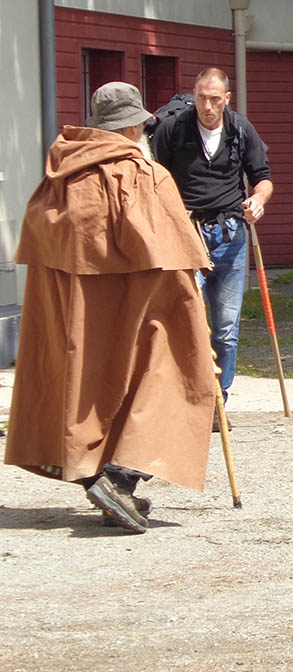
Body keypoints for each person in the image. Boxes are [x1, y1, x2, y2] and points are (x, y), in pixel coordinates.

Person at [5, 82, 218, 534]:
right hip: (146, 300)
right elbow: (172, 249)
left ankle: (100, 473)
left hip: (77, 308)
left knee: (91, 380)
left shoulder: (60, 175)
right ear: (137, 126)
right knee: (174, 373)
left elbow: (45, 238)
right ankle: (119, 477)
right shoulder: (144, 174)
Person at [151, 68, 272, 422]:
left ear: (227, 98)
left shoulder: (240, 129)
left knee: (225, 327)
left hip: (231, 235)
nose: (207, 106)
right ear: (194, 93)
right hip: (186, 233)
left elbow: (262, 179)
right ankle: (191, 398)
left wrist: (258, 200)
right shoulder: (174, 129)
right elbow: (155, 177)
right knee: (188, 322)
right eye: (202, 97)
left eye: (215, 99)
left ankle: (218, 402)